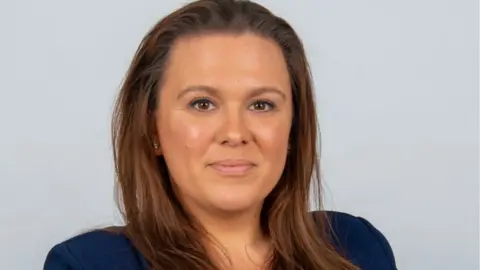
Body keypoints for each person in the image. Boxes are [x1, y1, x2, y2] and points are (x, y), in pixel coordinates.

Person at [44, 0, 397, 269]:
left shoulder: (357, 247)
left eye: (261, 105)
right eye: (202, 103)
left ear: (292, 128)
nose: (234, 132)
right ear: (152, 128)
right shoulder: (89, 264)